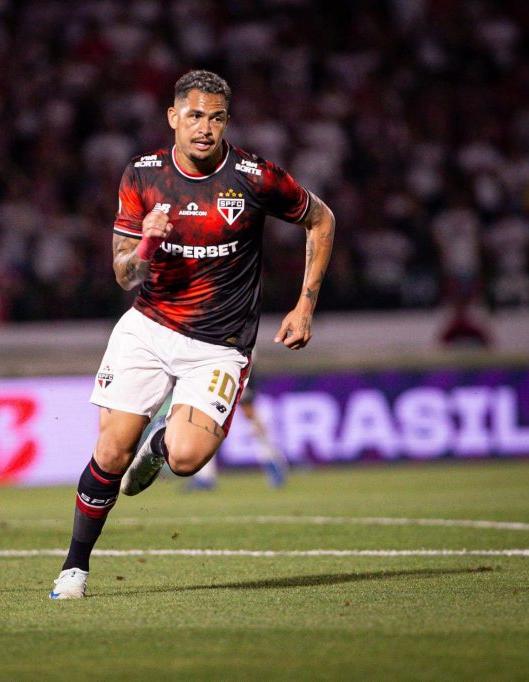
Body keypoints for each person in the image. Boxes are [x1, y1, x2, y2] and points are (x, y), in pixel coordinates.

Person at [49, 70, 335, 599]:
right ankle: (74, 568)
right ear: (173, 117)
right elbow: (123, 275)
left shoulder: (255, 177)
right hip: (150, 327)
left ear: (228, 121)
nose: (205, 127)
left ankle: (158, 446)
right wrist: (145, 247)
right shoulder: (143, 176)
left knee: (185, 459)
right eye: (196, 115)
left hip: (220, 345)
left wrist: (305, 305)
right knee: (111, 451)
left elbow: (322, 220)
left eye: (217, 117)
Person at [186, 376, 290, 491]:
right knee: (208, 418)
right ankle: (204, 476)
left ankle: (275, 467)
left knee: (258, 431)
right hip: (217, 375)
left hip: (235, 373)